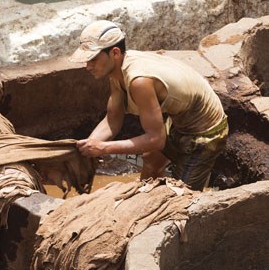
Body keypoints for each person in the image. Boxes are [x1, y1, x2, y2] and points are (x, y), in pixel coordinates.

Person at [70, 20, 228, 191]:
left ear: (115, 53)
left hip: (206, 132)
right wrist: (88, 147)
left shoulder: (139, 81)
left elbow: (156, 139)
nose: (87, 66)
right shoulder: (116, 71)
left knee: (181, 199)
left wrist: (104, 148)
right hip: (180, 120)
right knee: (151, 160)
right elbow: (112, 121)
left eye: (92, 59)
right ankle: (142, 198)